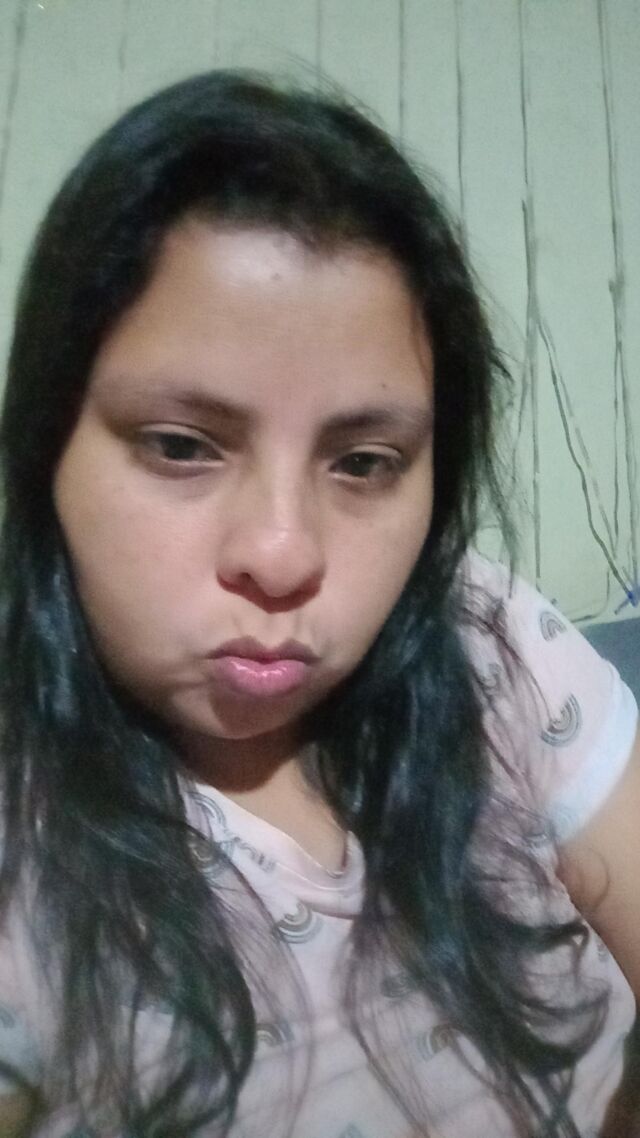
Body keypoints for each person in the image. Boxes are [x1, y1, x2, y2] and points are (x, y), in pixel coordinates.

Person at [0, 70, 637, 1138]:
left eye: (364, 461)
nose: (283, 553)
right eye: (181, 446)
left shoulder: (485, 640)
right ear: (46, 445)